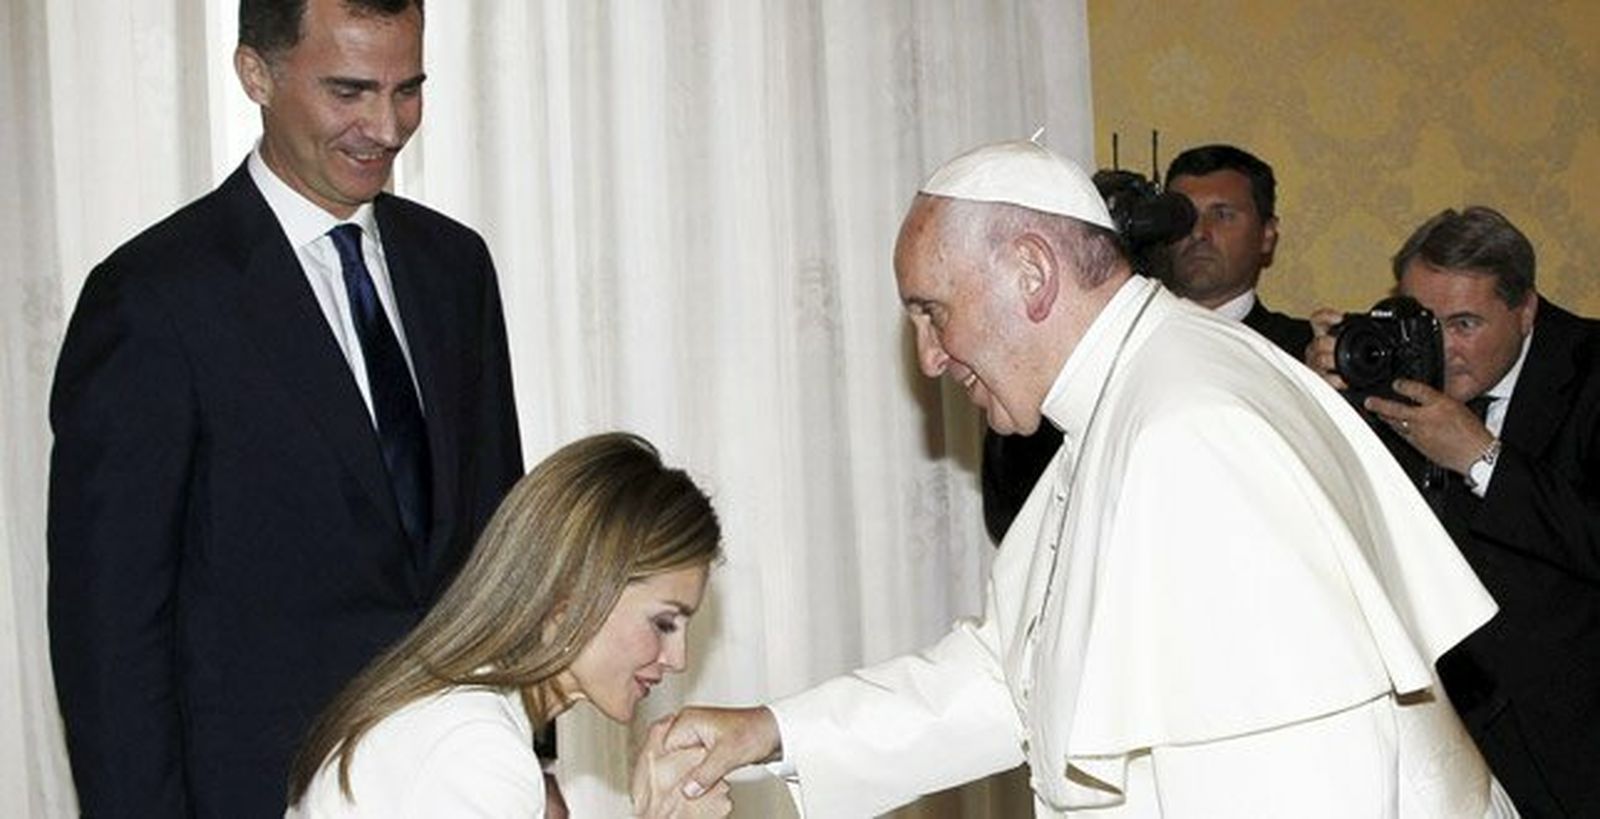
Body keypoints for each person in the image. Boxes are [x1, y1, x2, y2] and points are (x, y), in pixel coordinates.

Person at [661, 139, 1509, 817]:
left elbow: (1296, 779)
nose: (929, 358)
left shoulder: (1189, 431)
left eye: (932, 312)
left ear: (1032, 274)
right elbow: (1013, 675)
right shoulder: (1133, 394)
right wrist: (772, 732)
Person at [46, 1, 523, 816]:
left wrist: (529, 759)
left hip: (458, 783)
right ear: (255, 75)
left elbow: (504, 550)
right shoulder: (153, 297)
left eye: (407, 90)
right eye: (349, 91)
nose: (387, 127)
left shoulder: (455, 268)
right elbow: (110, 634)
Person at [1305, 206, 1600, 817]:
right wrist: (1317, 404)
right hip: (1436, 733)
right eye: (1422, 320)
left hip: (1573, 733)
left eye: (1464, 323)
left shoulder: (1591, 370)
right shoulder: (1390, 370)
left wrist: (1481, 457)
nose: (1441, 346)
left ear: (1526, 310)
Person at [285, 433, 731, 818]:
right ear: (571, 595)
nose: (678, 659)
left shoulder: (464, 717)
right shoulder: (476, 749)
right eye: (664, 623)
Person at [981, 143, 1309, 541]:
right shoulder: (1099, 349)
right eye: (1184, 216)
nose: (1199, 233)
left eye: (1223, 215)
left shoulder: (1303, 355)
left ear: (1267, 235)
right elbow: (1011, 510)